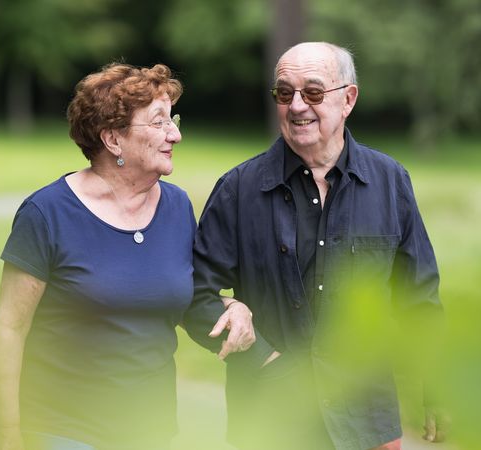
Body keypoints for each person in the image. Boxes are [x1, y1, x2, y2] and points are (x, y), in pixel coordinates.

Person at [183, 42, 445, 450]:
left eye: (314, 92)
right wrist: (261, 358)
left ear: (349, 99)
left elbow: (419, 297)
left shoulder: (391, 181)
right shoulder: (238, 189)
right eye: (285, 93)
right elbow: (193, 295)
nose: (297, 106)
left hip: (365, 422)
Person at [0, 63, 254, 450]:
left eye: (173, 120)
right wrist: (8, 434)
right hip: (62, 429)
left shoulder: (177, 206)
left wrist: (235, 307)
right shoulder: (47, 213)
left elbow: (176, 293)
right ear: (113, 139)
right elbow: (10, 328)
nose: (175, 135)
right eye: (159, 122)